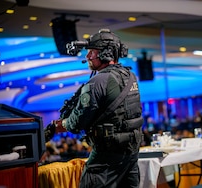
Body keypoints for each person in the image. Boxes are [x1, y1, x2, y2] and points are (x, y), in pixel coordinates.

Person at [52, 28, 144, 188]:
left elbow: (77, 123)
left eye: (92, 52)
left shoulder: (96, 83)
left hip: (106, 157)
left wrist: (63, 124)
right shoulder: (130, 76)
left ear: (106, 54)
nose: (87, 56)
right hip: (131, 152)